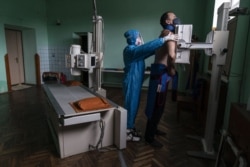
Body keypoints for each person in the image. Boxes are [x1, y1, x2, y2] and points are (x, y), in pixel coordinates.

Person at [123, 29, 178, 141]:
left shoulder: (136, 51)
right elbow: (146, 48)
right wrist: (164, 39)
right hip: (131, 82)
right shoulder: (130, 50)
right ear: (133, 38)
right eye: (138, 37)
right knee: (130, 105)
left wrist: (162, 45)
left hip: (136, 82)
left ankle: (131, 127)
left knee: (134, 105)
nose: (140, 39)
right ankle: (127, 132)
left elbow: (149, 50)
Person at [144, 11, 180, 147]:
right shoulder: (168, 34)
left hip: (160, 74)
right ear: (168, 21)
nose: (176, 18)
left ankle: (154, 129)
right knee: (157, 105)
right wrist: (172, 69)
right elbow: (171, 55)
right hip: (160, 75)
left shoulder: (167, 33)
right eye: (174, 17)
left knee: (160, 104)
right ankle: (149, 137)